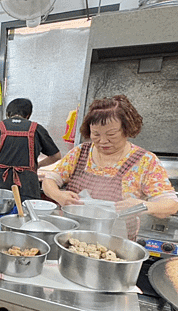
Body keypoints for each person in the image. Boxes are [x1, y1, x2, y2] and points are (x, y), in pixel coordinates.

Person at [42, 94, 178, 240]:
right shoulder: (80, 152)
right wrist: (58, 195)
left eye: (111, 134)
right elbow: (49, 180)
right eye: (96, 134)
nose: (102, 141)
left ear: (127, 129)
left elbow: (171, 205)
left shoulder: (145, 161)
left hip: (115, 246)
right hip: (70, 238)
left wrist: (142, 205)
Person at [0, 98, 61, 201]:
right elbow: (56, 156)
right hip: (27, 184)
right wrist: (37, 165)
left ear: (8, 114)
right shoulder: (37, 129)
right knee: (26, 214)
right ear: (28, 115)